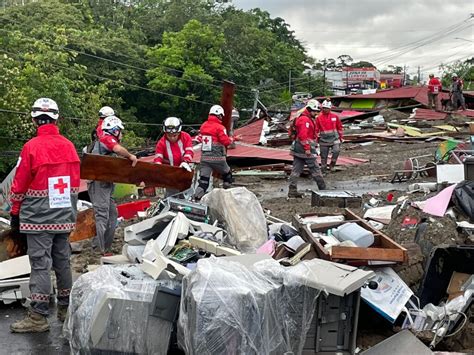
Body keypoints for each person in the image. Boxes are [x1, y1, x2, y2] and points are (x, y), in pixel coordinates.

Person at [9, 98, 80, 332]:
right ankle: (65, 309)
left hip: (38, 217)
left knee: (40, 264)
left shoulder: (32, 147)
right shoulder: (69, 146)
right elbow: (76, 182)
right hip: (64, 215)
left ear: (33, 119)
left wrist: (15, 212)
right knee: (62, 261)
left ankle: (38, 317)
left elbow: (19, 184)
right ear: (57, 118)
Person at [88, 115, 137, 255]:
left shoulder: (102, 139)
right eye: (120, 131)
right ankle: (99, 249)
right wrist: (131, 156)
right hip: (98, 183)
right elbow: (118, 149)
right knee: (102, 215)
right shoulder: (106, 138)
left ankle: (105, 247)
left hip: (106, 183)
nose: (121, 134)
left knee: (112, 214)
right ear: (115, 130)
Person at [193, 105, 235, 200]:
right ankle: (227, 195)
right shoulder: (220, 127)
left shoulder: (203, 125)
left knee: (203, 181)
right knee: (227, 174)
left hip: (204, 159)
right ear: (219, 115)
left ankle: (196, 199)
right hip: (218, 158)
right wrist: (232, 139)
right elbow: (226, 142)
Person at [288, 99, 326, 198]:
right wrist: (307, 148)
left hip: (298, 147)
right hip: (304, 148)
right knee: (315, 168)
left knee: (296, 169)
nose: (317, 114)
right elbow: (303, 136)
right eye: (316, 111)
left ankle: (292, 191)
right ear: (310, 110)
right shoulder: (305, 120)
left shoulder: (304, 118)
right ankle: (323, 189)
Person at [154, 117, 194, 197]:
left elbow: (189, 151)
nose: (172, 137)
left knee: (187, 195)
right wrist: (158, 168)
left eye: (174, 135)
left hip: (184, 170)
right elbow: (158, 158)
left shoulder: (186, 137)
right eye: (169, 135)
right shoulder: (161, 143)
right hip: (170, 174)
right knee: (171, 197)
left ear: (179, 132)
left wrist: (185, 161)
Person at [315, 100, 344, 173]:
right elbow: (316, 129)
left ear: (330, 108)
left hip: (335, 138)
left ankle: (332, 165)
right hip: (323, 140)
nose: (325, 109)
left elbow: (339, 127)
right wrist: (315, 140)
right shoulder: (318, 118)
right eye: (324, 108)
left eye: (327, 108)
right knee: (323, 156)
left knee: (336, 151)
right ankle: (324, 170)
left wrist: (341, 137)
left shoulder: (335, 117)